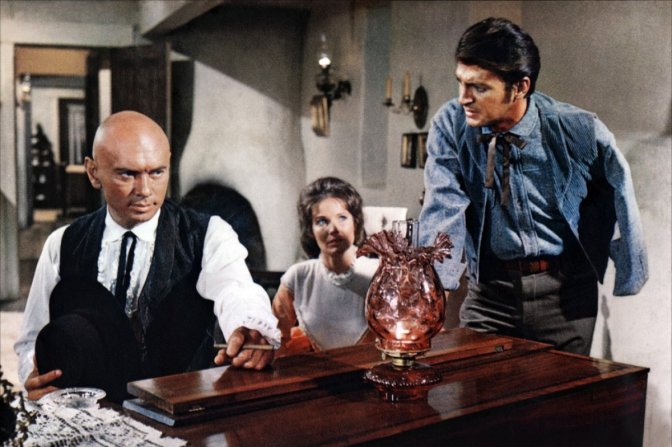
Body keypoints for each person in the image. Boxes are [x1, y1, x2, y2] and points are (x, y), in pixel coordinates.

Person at [15, 110, 281, 402]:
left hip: (178, 410)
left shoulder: (208, 234)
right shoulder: (62, 243)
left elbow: (237, 290)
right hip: (90, 413)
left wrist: (249, 326)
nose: (144, 190)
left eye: (156, 172)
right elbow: (32, 338)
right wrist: (33, 373)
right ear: (93, 172)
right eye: (127, 174)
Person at [419, 17, 648, 355]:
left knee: (562, 390)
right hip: (489, 296)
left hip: (566, 297)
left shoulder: (578, 128)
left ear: (520, 87)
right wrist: (431, 290)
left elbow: (620, 190)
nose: (463, 98)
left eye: (478, 87)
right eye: (460, 83)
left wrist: (629, 270)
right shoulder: (450, 125)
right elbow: (443, 207)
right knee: (478, 386)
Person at [272, 177, 378, 355]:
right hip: (317, 370)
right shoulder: (298, 276)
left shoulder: (380, 273)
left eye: (342, 218)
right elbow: (276, 339)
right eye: (322, 221)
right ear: (310, 230)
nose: (333, 229)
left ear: (356, 222)